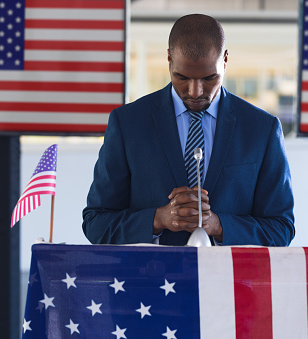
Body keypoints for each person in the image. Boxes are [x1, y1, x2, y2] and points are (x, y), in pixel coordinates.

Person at [83, 14, 295, 246]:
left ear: (225, 60)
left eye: (209, 78)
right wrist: (158, 219)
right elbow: (96, 223)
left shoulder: (262, 129)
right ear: (169, 59)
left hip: (229, 280)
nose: (195, 91)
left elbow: (281, 229)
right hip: (148, 279)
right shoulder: (127, 124)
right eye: (182, 77)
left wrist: (218, 225)